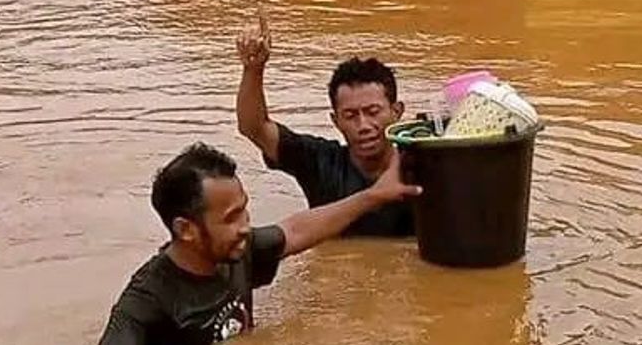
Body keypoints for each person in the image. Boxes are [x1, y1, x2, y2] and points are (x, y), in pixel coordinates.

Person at [99, 142, 419, 345]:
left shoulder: (237, 251)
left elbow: (296, 231)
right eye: (231, 217)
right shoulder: (145, 306)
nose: (245, 226)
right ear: (186, 230)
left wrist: (374, 195)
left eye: (245, 209)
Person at [236, 9, 412, 236]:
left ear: (397, 112)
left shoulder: (424, 165)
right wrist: (253, 69)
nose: (364, 125)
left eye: (373, 112)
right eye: (350, 116)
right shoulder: (319, 163)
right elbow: (254, 128)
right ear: (335, 120)